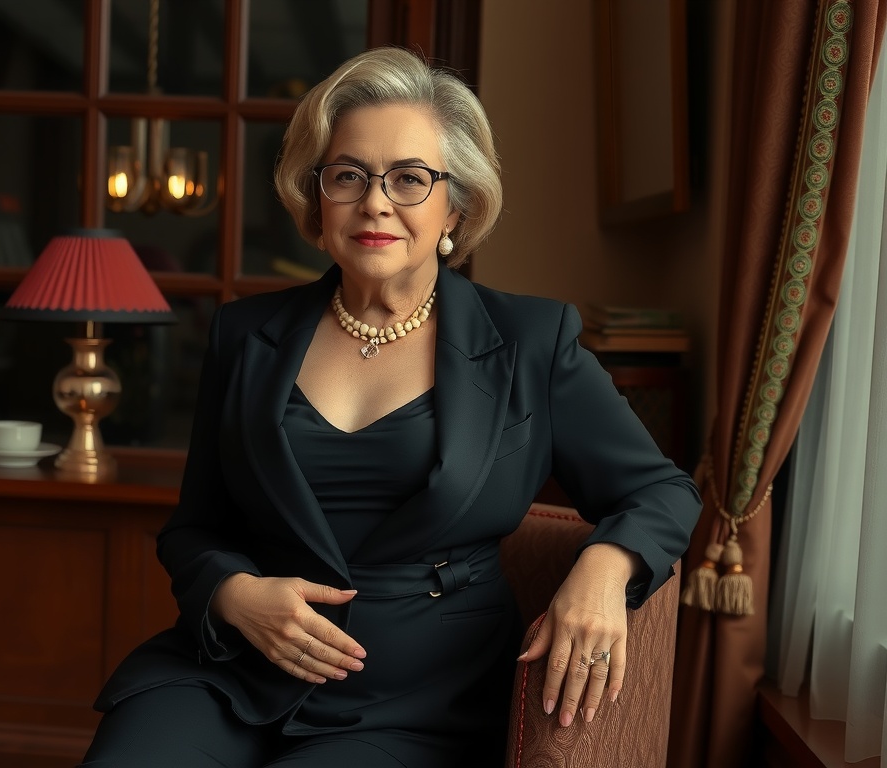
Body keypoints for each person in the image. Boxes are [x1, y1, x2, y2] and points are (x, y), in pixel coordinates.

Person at [79, 46, 702, 767]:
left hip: (417, 703)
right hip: (229, 676)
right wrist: (232, 594)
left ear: (456, 204)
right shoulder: (244, 335)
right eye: (349, 175)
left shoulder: (532, 342)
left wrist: (603, 568)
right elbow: (195, 528)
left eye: (410, 178)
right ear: (318, 200)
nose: (376, 201)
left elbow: (662, 490)